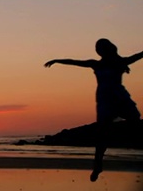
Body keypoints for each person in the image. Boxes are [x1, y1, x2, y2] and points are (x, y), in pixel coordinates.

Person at [44, 38, 143, 182]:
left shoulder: (120, 62)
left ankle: (128, 147)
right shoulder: (96, 64)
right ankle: (97, 166)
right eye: (98, 48)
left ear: (107, 49)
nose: (99, 51)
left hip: (119, 98)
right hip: (105, 100)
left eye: (100, 48)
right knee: (103, 133)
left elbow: (140, 55)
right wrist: (57, 60)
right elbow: (75, 62)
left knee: (134, 120)